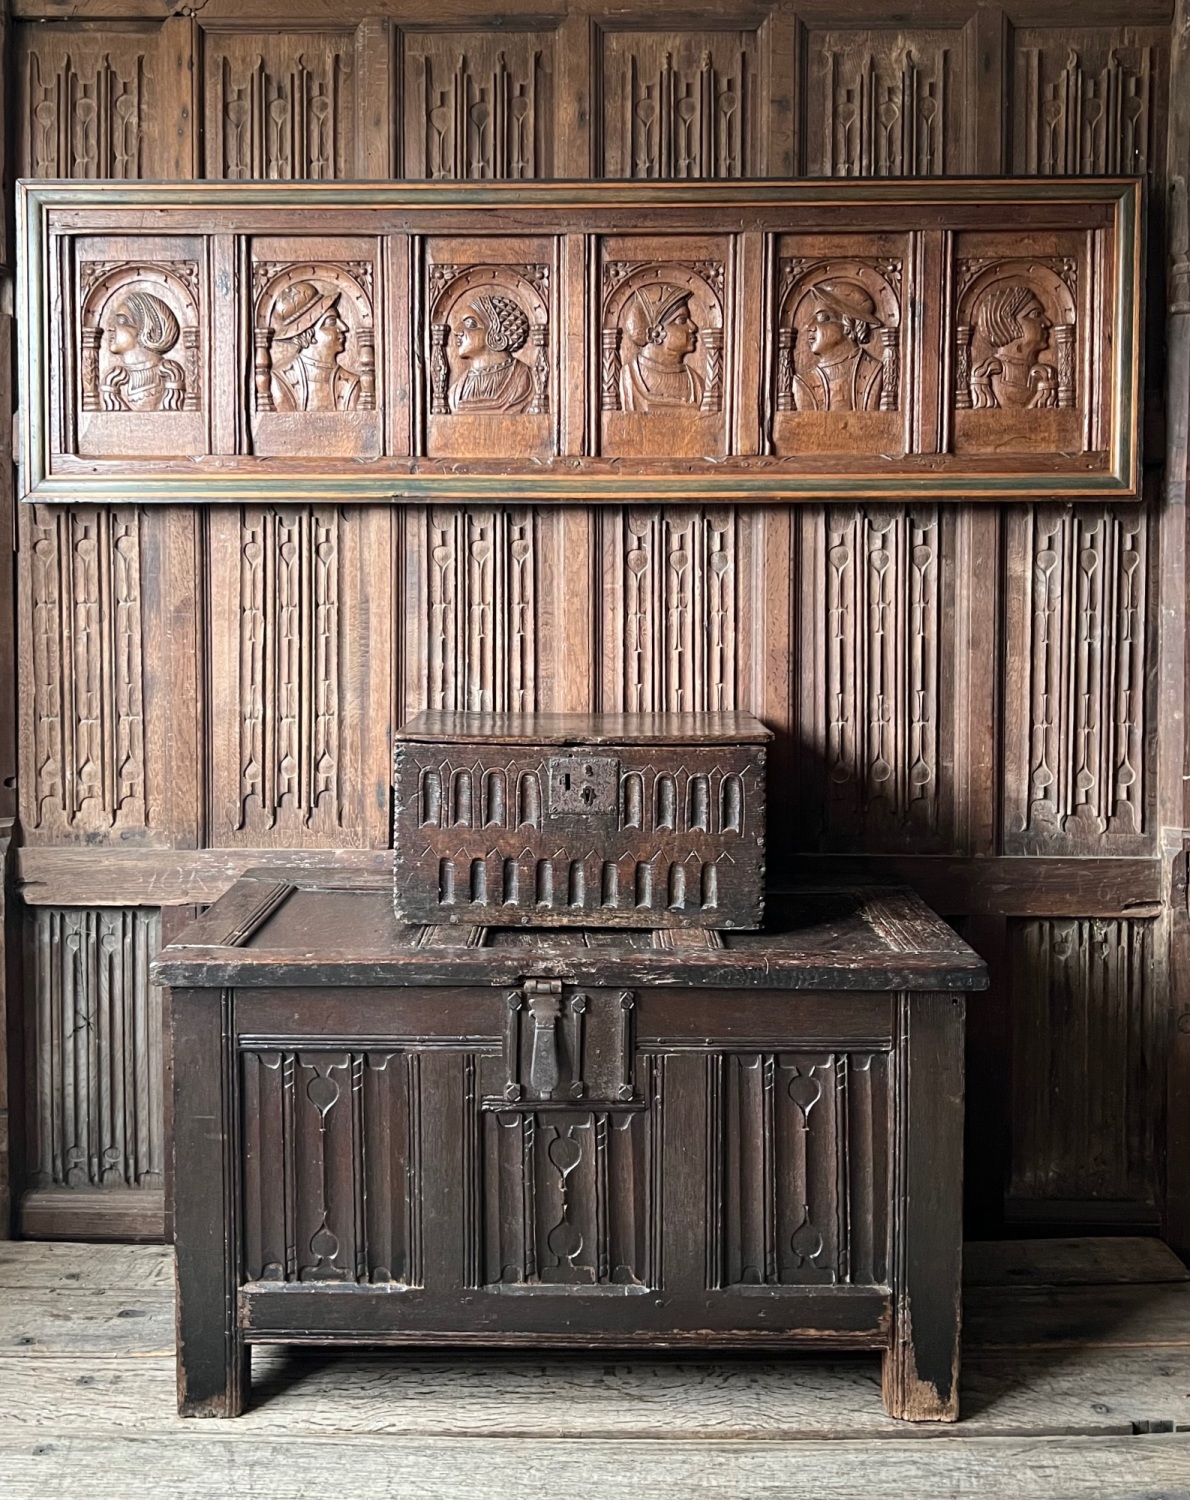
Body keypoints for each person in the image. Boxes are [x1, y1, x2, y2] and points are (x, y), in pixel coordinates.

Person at [791, 278, 884, 413]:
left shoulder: (874, 372)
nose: (808, 326)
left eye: (823, 318)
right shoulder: (803, 383)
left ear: (848, 325)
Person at [269, 281, 361, 412]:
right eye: (331, 322)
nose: (344, 327)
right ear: (307, 333)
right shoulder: (281, 381)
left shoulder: (351, 383)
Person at [970, 284, 1057, 409]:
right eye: (1036, 315)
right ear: (1009, 325)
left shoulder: (1045, 376)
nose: (1047, 323)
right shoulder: (985, 373)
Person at [619, 283, 703, 411]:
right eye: (681, 320)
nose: (693, 327)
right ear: (655, 332)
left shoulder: (696, 383)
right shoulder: (629, 377)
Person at [101, 290, 186, 412]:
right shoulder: (114, 379)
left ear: (150, 329)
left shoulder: (170, 374)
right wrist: (110, 393)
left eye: (122, 321)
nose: (110, 328)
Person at [448, 293, 534, 414]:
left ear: (496, 335)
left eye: (470, 324)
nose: (457, 331)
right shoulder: (455, 392)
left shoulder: (527, 380)